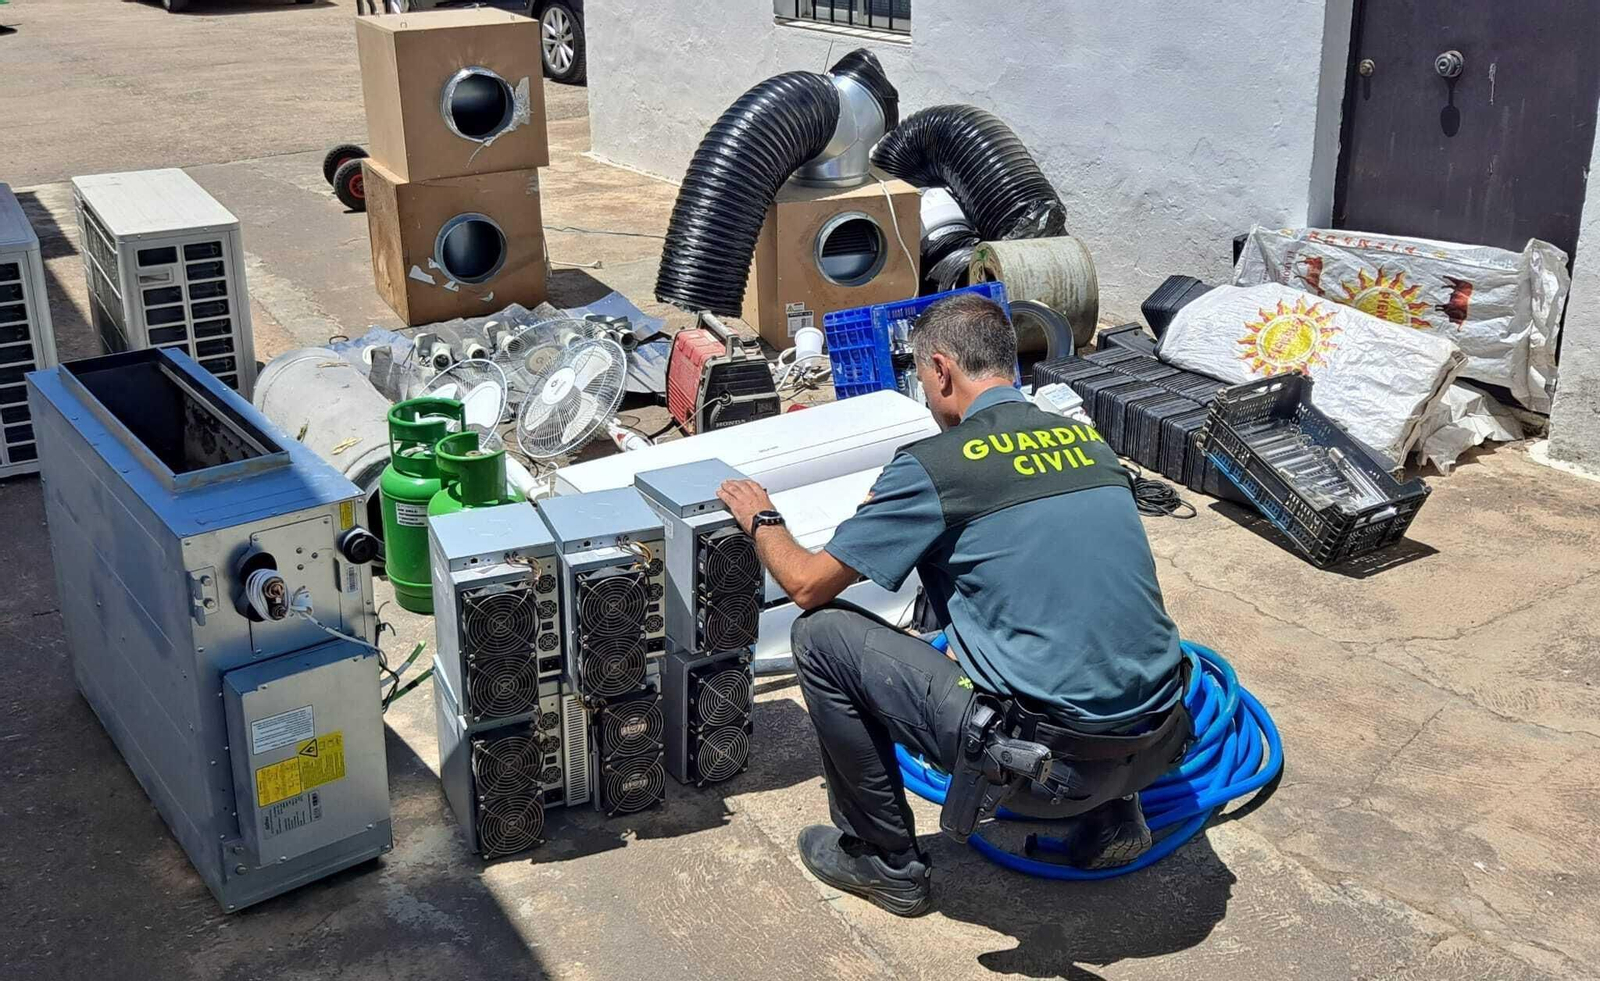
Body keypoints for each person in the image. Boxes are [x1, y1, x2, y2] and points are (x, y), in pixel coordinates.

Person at [716, 293, 1189, 917]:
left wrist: (761, 517)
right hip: (1153, 742)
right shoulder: (1087, 443)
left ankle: (884, 862)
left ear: (940, 370)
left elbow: (807, 584)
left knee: (822, 636)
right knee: (1056, 605)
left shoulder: (936, 465)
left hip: (1046, 771)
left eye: (921, 377)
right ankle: (1112, 820)